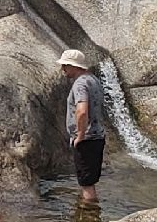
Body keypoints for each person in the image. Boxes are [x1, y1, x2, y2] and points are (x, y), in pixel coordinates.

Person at [57, 49, 107, 202]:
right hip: (98, 137)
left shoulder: (80, 84)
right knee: (90, 181)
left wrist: (80, 135)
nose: (63, 69)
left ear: (75, 66)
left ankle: (88, 215)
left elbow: (82, 111)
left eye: (66, 65)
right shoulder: (94, 80)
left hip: (87, 139)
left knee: (87, 185)